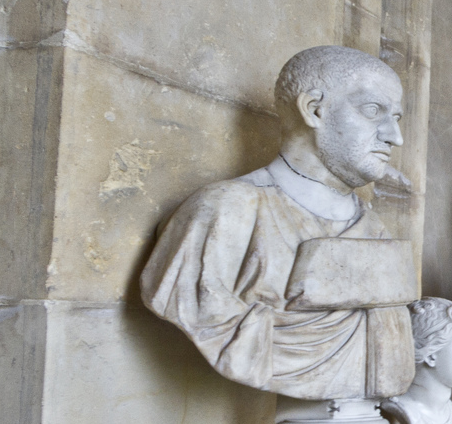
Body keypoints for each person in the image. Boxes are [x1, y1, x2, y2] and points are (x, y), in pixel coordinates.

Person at [142, 44, 417, 400]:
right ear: (314, 110)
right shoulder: (225, 210)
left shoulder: (375, 231)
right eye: (373, 110)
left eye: (396, 118)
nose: (395, 137)